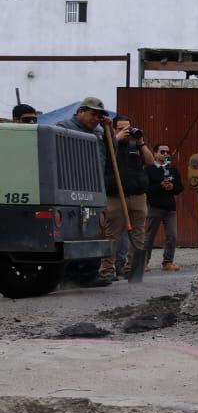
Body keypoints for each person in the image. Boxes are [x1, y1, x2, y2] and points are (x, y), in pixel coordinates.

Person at [55, 97, 113, 286]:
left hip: (94, 189)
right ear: (80, 111)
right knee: (70, 232)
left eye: (99, 116)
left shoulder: (98, 132)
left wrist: (108, 130)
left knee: (93, 230)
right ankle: (66, 275)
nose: (96, 119)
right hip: (72, 188)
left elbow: (112, 153)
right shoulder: (63, 128)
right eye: (92, 114)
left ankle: (88, 274)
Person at [103, 115, 154, 280]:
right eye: (121, 128)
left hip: (137, 195)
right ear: (114, 129)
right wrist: (115, 139)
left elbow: (150, 162)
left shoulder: (135, 144)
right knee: (112, 235)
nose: (126, 132)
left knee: (138, 234)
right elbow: (102, 159)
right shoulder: (108, 144)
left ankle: (133, 268)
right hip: (115, 196)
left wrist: (141, 142)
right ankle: (107, 270)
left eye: (128, 128)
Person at [144, 144, 184, 271]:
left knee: (172, 235)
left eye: (167, 152)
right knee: (149, 236)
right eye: (162, 152)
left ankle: (168, 262)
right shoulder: (149, 170)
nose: (165, 154)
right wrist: (160, 186)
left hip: (170, 208)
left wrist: (172, 187)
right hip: (155, 207)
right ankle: (143, 262)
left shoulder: (172, 170)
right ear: (155, 154)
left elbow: (180, 188)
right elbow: (146, 189)